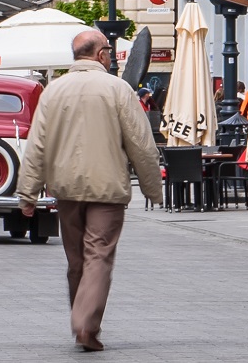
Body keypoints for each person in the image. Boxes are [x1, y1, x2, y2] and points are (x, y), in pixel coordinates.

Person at [15, 30, 164, 352]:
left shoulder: (53, 91)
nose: (110, 56)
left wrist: (28, 194)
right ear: (101, 55)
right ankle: (86, 325)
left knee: (76, 261)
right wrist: (154, 189)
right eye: (109, 51)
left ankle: (81, 320)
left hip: (65, 189)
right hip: (107, 190)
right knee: (98, 256)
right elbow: (141, 144)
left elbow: (36, 146)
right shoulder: (117, 89)